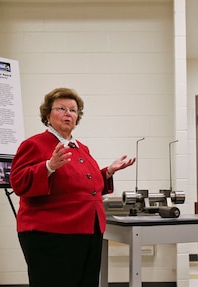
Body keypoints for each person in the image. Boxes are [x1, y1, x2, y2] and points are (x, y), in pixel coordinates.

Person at [9, 87, 136, 287]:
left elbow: (83, 186)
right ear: (47, 114)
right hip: (51, 235)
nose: (68, 114)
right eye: (61, 108)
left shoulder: (81, 148)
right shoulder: (34, 144)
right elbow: (18, 182)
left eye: (73, 110)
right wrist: (49, 166)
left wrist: (108, 172)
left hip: (88, 231)